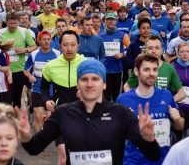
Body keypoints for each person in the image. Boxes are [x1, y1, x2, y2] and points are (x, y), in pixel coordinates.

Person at [19, 59, 161, 164]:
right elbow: (34, 148)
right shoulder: (63, 113)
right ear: (78, 83)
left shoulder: (121, 113)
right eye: (84, 79)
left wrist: (149, 139)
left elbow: (153, 154)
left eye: (95, 79)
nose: (89, 84)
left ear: (104, 84)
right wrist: (25, 136)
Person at [117, 54, 184, 164]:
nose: (152, 73)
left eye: (155, 69)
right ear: (137, 71)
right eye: (147, 69)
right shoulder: (123, 100)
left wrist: (178, 120)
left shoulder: (167, 96)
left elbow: (180, 127)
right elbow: (117, 135)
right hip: (134, 161)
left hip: (163, 160)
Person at [41, 30, 86, 164]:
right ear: (59, 46)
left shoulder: (86, 64)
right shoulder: (51, 66)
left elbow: (100, 90)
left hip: (83, 115)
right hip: (60, 116)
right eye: (65, 45)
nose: (69, 48)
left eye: (73, 45)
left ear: (78, 46)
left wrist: (85, 93)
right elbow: (43, 88)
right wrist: (46, 101)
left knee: (79, 157)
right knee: (64, 157)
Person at [125, 36, 186, 102]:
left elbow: (182, 93)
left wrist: (167, 103)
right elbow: (126, 86)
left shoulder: (169, 68)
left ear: (162, 50)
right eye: (150, 48)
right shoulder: (141, 67)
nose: (154, 51)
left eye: (157, 48)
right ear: (145, 50)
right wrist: (134, 101)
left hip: (160, 110)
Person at [0, 11, 37, 107]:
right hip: (5, 71)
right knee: (6, 99)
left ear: (18, 22)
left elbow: (34, 46)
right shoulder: (0, 32)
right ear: (6, 22)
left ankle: (16, 119)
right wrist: (3, 48)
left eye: (15, 23)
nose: (13, 26)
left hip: (19, 70)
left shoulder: (24, 32)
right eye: (10, 23)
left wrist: (25, 50)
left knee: (17, 99)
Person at [24, 31, 60, 131]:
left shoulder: (57, 54)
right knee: (38, 117)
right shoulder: (34, 54)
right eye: (43, 39)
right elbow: (25, 70)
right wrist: (30, 76)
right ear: (39, 41)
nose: (46, 41)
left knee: (49, 118)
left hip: (52, 90)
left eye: (48, 39)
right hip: (37, 89)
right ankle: (38, 142)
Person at [100, 12, 129, 101]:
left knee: (116, 95)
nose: (110, 22)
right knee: (107, 95)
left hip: (117, 69)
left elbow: (130, 49)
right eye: (108, 20)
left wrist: (122, 54)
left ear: (116, 21)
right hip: (105, 70)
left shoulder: (123, 35)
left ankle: (115, 112)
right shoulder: (100, 36)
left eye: (112, 20)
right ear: (104, 22)